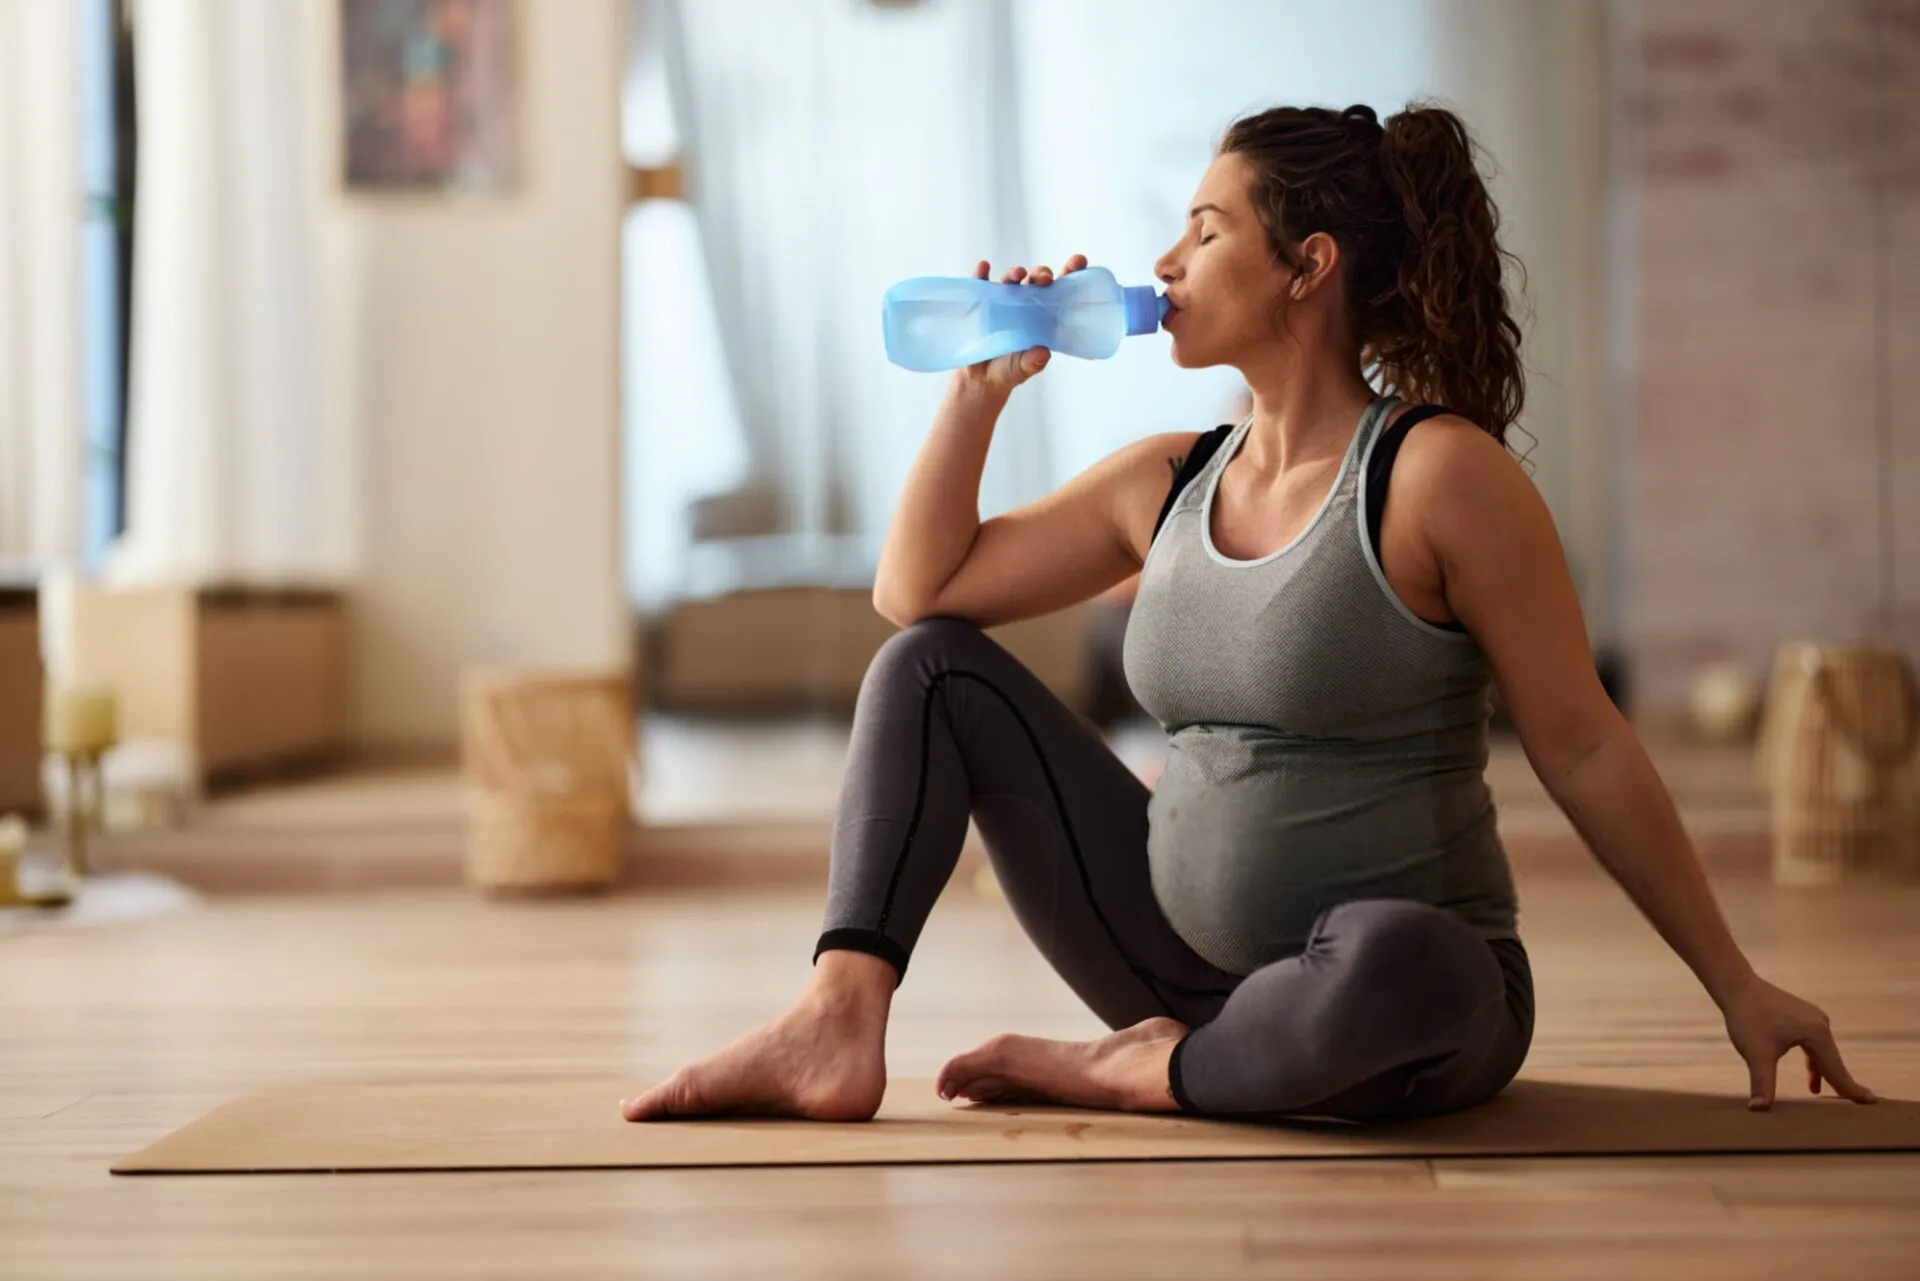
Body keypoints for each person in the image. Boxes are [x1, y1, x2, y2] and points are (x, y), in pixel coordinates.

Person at [622, 102, 1876, 1124]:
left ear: (1307, 267)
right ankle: (840, 1020)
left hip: (1404, 1004)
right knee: (930, 669)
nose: (1164, 263)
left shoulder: (1438, 477)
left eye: (1206, 231)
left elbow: (1586, 743)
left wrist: (1736, 983)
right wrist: (978, 397)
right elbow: (920, 592)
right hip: (1175, 969)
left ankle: (1141, 1072)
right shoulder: (1167, 477)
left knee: (1402, 958)